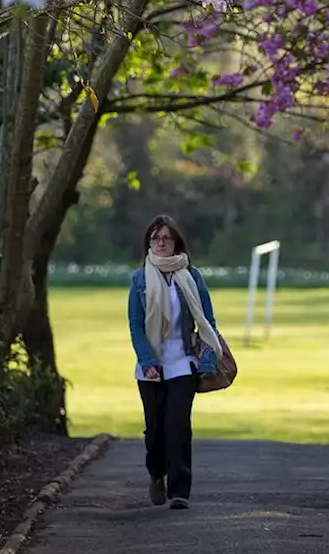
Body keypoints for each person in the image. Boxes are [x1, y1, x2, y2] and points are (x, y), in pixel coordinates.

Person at [127, 214, 222, 509]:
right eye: (155, 238)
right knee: (154, 431)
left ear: (176, 242)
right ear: (149, 242)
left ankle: (180, 490)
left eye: (166, 238)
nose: (160, 243)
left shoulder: (192, 277)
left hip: (183, 363)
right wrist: (146, 360)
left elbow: (207, 321)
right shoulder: (140, 278)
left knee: (178, 426)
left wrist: (206, 361)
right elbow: (136, 324)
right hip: (151, 367)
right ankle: (157, 474)